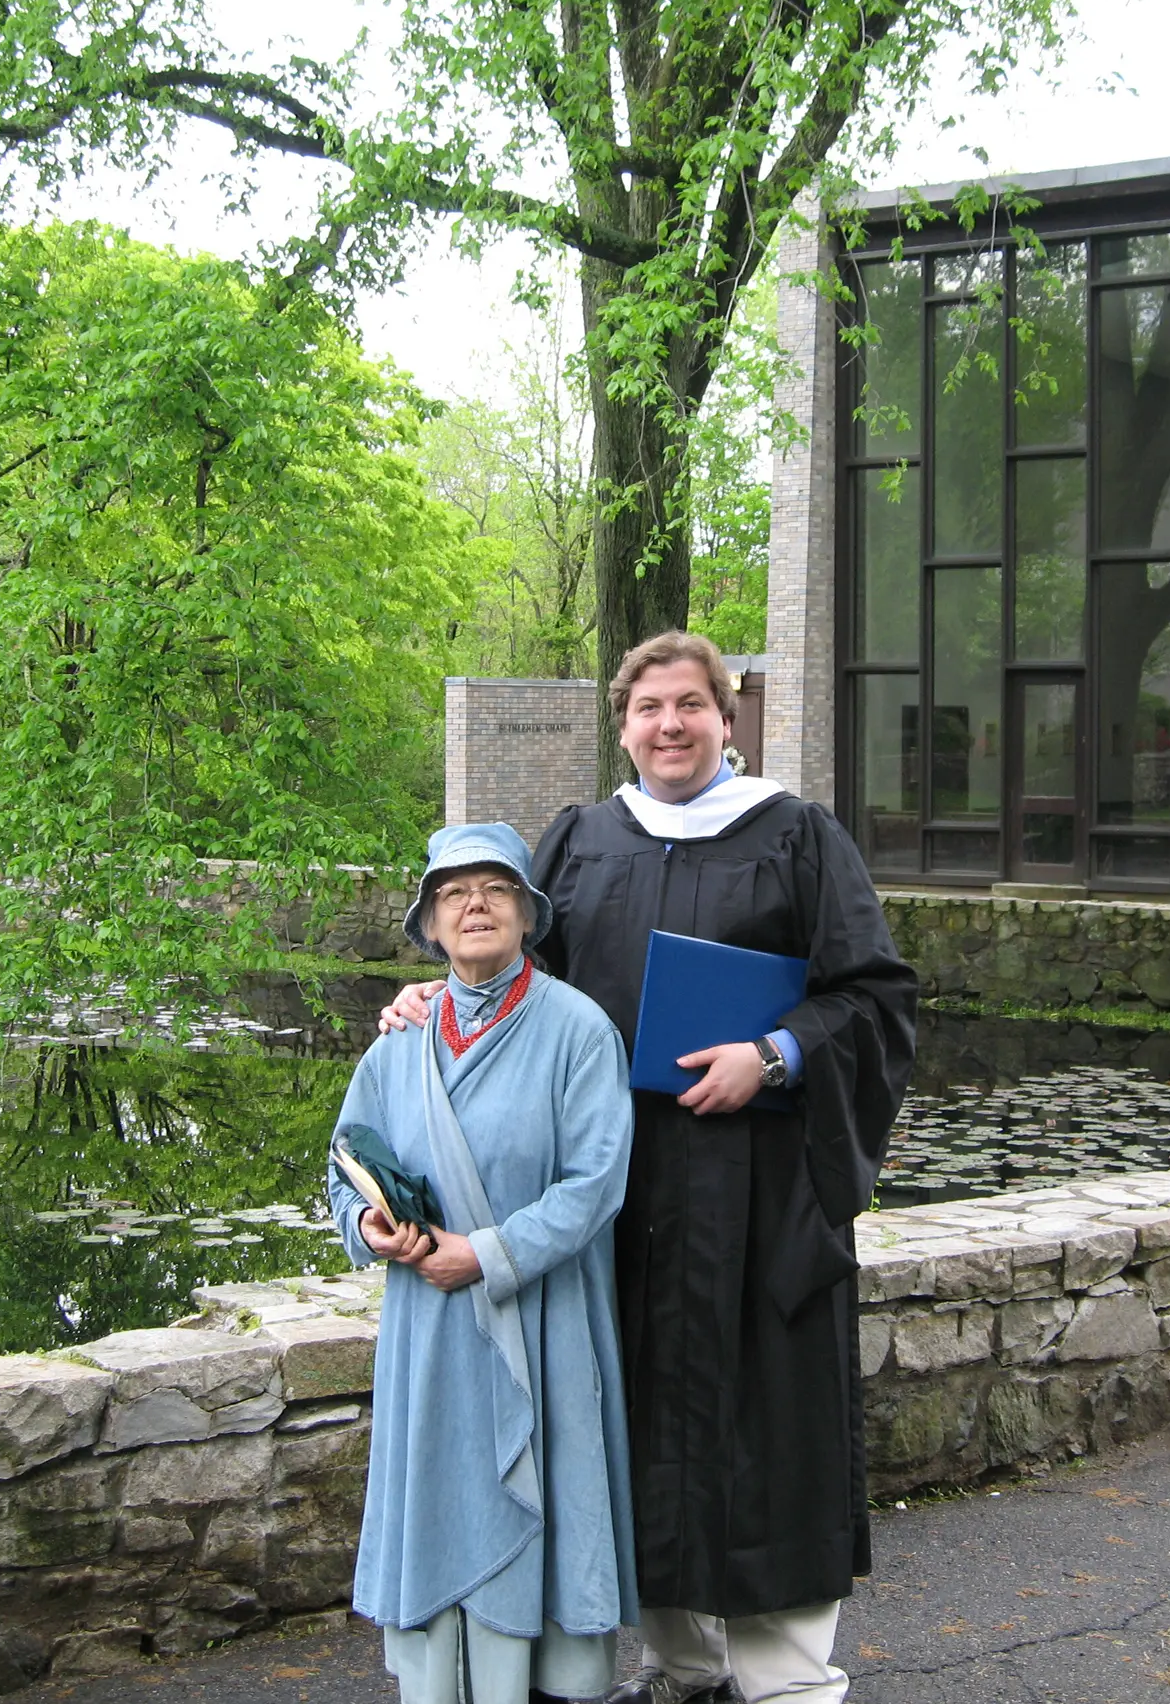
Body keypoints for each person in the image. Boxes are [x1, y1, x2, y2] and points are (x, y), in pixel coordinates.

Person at [383, 635, 918, 1704]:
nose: (670, 725)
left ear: (727, 718)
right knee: (635, 1424)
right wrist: (435, 997)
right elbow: (514, 975)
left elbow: (875, 997)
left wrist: (774, 1055)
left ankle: (789, 1682)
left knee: (768, 1426)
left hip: (762, 1198)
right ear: (622, 726)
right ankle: (682, 1665)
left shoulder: (798, 837)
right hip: (621, 1201)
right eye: (648, 708)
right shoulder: (583, 843)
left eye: (691, 705)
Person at [331, 820, 638, 1704]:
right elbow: (344, 1160)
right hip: (429, 1333)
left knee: (543, 1498)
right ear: (430, 924)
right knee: (440, 1504)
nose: (475, 906)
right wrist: (369, 1224)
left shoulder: (579, 1031)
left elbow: (596, 1183)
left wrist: (490, 1254)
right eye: (454, 893)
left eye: (496, 889)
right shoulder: (399, 1042)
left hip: (540, 1321)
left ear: (528, 914)